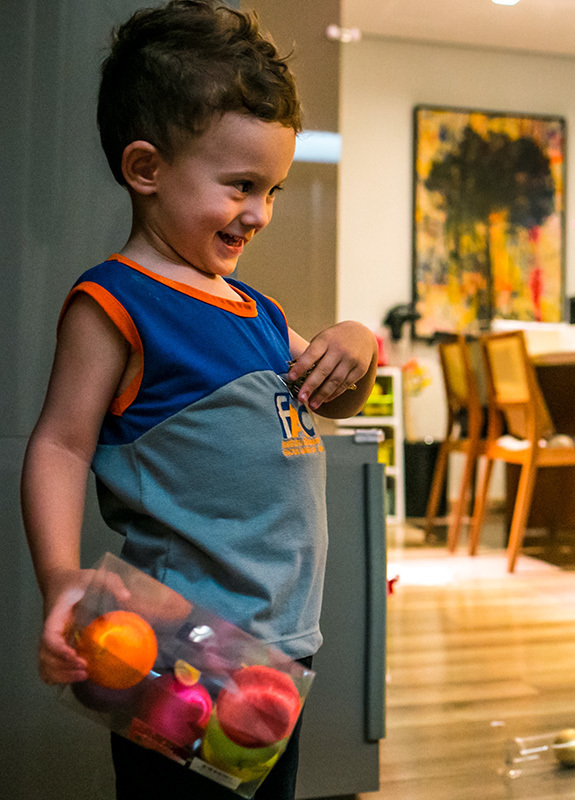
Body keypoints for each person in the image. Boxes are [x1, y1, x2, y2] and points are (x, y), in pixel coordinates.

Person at [20, 2, 377, 798]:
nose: (261, 214)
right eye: (241, 187)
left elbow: (336, 395)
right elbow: (60, 444)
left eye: (274, 189)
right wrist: (59, 575)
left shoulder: (257, 311)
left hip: (283, 645)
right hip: (181, 648)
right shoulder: (115, 302)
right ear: (146, 169)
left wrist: (356, 343)